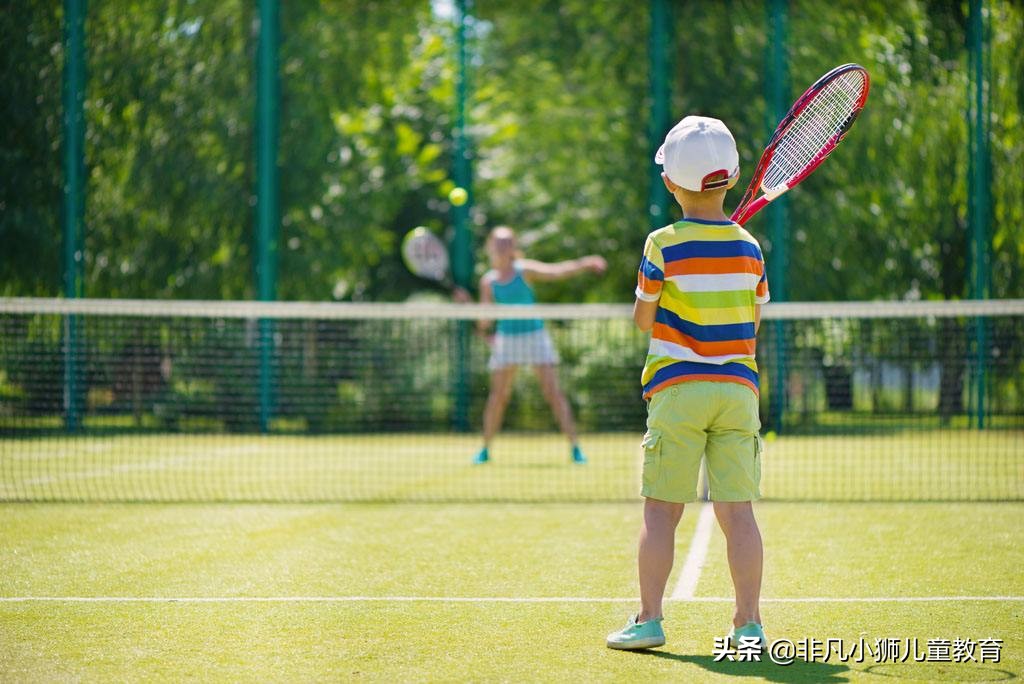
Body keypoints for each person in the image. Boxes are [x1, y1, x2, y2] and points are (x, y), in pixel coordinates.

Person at [606, 116, 770, 651]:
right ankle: (748, 624)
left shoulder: (661, 244)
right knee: (738, 514)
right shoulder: (750, 248)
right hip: (737, 391)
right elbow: (753, 323)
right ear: (733, 178)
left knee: (661, 511)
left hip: (678, 389)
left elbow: (642, 320)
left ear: (669, 182)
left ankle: (649, 618)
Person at [465, 226, 606, 465]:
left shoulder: (524, 270)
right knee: (498, 397)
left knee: (553, 393)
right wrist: (468, 306)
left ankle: (575, 448)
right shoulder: (488, 282)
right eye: (498, 242)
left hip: (535, 337)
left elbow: (557, 271)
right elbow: (485, 321)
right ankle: (485, 450)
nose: (502, 246)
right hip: (507, 341)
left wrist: (585, 263)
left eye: (507, 242)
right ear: (490, 246)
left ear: (513, 247)